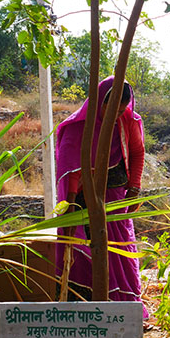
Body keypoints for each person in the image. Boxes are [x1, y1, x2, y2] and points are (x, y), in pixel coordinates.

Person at [55, 76, 148, 317]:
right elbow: (70, 168)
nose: (116, 115)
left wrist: (135, 187)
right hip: (85, 204)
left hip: (117, 202)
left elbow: (137, 152)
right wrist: (72, 205)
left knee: (121, 253)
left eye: (121, 109)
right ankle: (88, 312)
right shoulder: (79, 127)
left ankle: (124, 312)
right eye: (111, 109)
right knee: (87, 255)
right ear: (99, 103)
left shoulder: (127, 120)